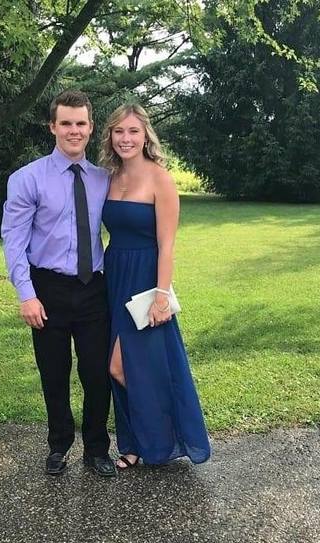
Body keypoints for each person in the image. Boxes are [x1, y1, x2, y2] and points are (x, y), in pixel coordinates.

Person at [1, 90, 116, 477]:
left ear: (91, 127)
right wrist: (26, 295)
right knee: (54, 373)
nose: (74, 131)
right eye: (66, 123)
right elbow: (14, 241)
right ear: (52, 127)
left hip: (93, 288)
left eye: (80, 123)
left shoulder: (103, 179)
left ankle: (97, 448)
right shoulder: (27, 179)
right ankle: (59, 445)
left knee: (97, 373)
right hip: (47, 289)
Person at [100, 103, 212, 469]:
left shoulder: (160, 178)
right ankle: (134, 444)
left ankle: (162, 437)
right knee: (125, 367)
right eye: (119, 131)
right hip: (114, 276)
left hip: (146, 280)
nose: (126, 138)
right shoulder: (109, 177)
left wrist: (162, 295)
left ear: (145, 135)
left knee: (125, 366)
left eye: (133, 131)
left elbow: (167, 244)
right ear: (110, 136)